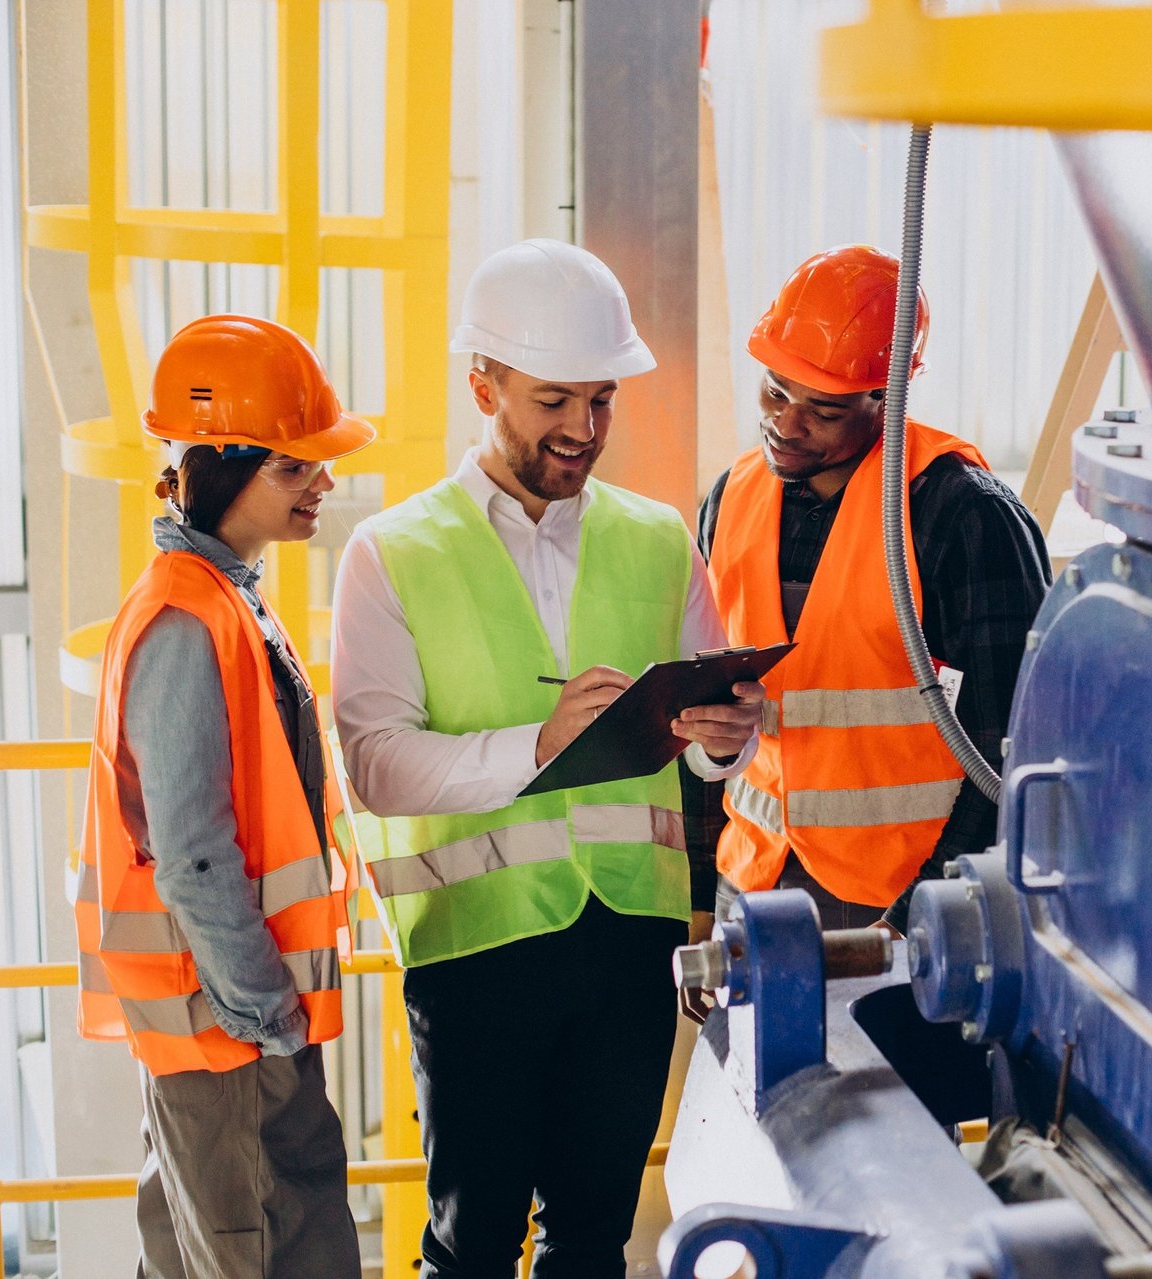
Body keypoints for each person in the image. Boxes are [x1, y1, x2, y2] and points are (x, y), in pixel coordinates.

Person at [330, 238, 761, 1279]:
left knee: (593, 1242)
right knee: (471, 1246)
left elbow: (704, 749)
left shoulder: (662, 540)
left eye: (601, 401)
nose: (584, 430)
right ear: (483, 383)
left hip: (627, 945)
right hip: (475, 953)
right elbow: (375, 765)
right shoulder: (389, 554)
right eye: (553, 400)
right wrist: (536, 743)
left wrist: (721, 746)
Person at [74, 315, 371, 1279]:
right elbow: (192, 851)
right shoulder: (187, 618)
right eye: (294, 468)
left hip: (234, 1023)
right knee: (264, 1253)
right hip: (231, 1026)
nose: (322, 484)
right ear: (217, 468)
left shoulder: (225, 596)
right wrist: (268, 1010)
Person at [691, 244, 1050, 943]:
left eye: (823, 410)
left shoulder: (961, 515)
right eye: (774, 391)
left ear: (888, 400)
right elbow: (703, 710)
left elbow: (1010, 745)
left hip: (893, 901)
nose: (786, 424)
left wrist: (928, 911)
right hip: (753, 884)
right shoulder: (731, 498)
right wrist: (705, 893)